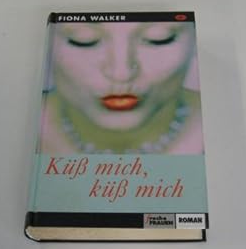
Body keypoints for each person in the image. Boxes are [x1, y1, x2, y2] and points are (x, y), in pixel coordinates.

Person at [39, 21, 204, 154]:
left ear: (196, 39)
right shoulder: (26, 130)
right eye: (84, 39)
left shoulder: (216, 130)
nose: (121, 74)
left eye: (158, 38)